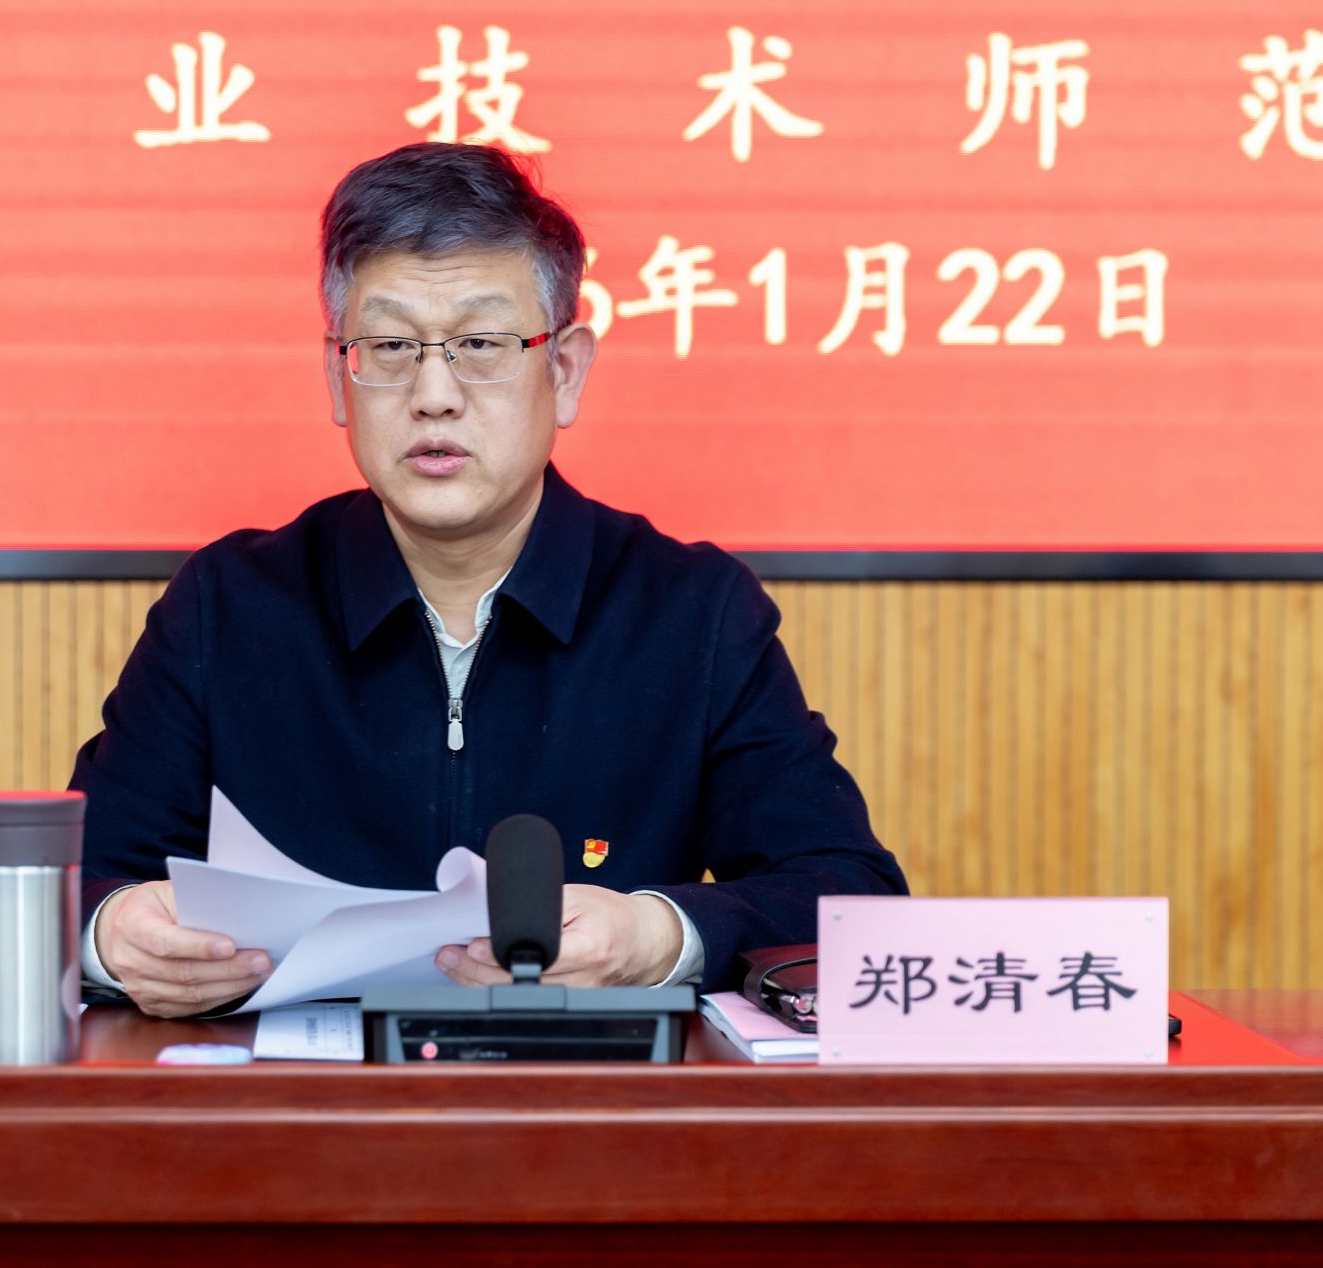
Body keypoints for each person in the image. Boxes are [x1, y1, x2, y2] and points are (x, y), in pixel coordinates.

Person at [69, 142, 906, 1018]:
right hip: (300, 1095)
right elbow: (80, 874)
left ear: (565, 370)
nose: (434, 393)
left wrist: (658, 937)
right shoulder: (228, 608)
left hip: (580, 1094)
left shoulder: (692, 614)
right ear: (338, 377)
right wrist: (111, 932)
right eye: (390, 345)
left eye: (479, 343)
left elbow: (852, 895)